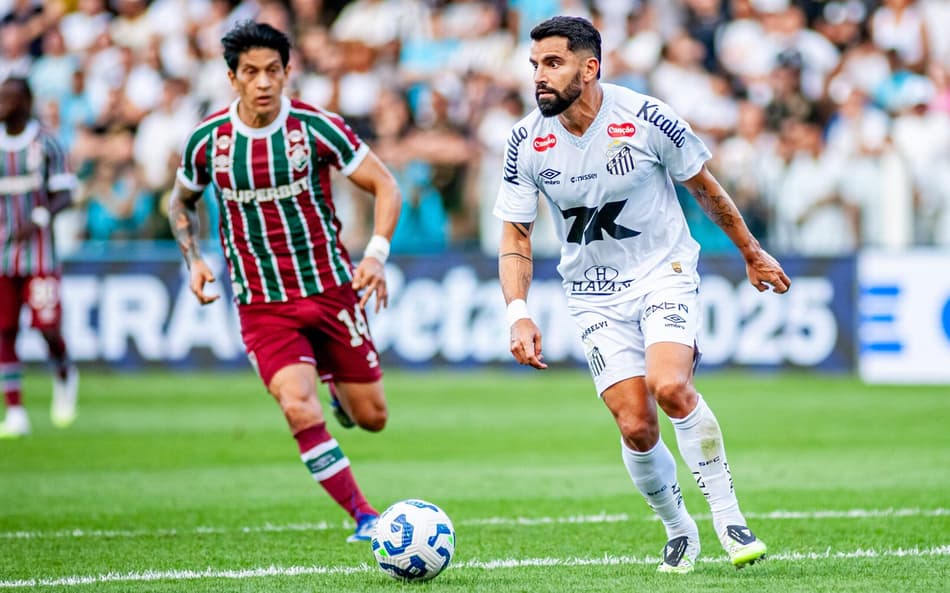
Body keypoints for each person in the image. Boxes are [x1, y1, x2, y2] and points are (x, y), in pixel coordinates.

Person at [494, 17, 791, 573]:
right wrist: (518, 312)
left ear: (590, 67)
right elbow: (515, 234)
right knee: (635, 424)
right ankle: (680, 529)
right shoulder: (523, 141)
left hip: (664, 272)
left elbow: (704, 187)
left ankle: (729, 517)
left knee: (671, 386)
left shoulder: (646, 117)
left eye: (553, 64)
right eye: (534, 65)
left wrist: (751, 251)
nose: (540, 77)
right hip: (592, 294)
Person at [168, 21, 402, 543]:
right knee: (297, 405)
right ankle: (365, 517)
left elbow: (384, 184)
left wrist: (377, 254)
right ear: (232, 78)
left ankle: (337, 386)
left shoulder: (317, 128)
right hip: (262, 305)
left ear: (287, 72)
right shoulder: (208, 141)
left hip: (331, 291)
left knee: (374, 418)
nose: (263, 82)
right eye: (250, 72)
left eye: (273, 71)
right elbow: (179, 201)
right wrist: (194, 258)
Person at [0, 77, 80, 438]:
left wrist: (40, 216)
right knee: (4, 331)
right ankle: (15, 410)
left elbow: (66, 193)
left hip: (41, 257)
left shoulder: (46, 143)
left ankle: (65, 372)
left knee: (46, 326)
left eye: (11, 98)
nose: (3, 103)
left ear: (26, 101)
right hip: (2, 257)